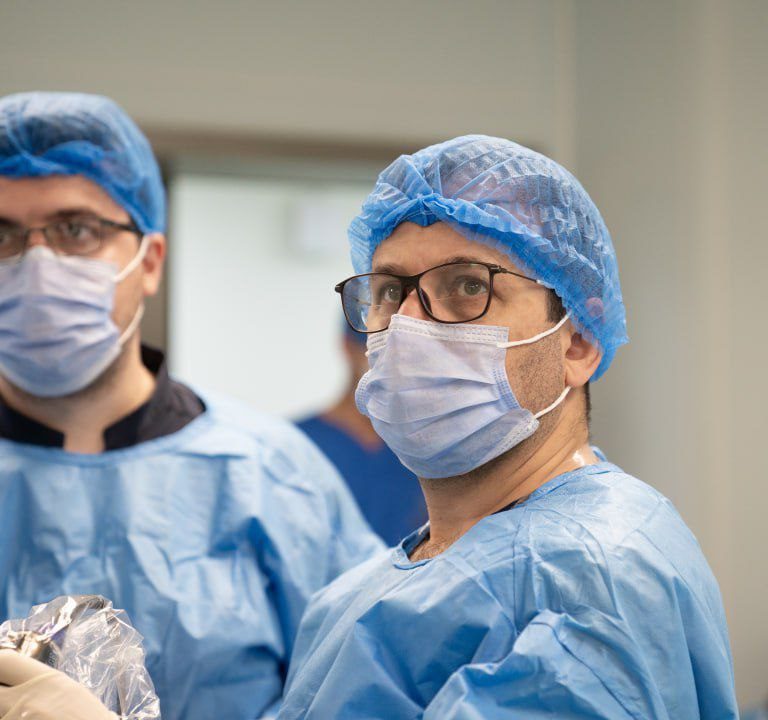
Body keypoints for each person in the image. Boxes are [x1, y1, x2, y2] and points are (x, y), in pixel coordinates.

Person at [277, 135, 739, 718]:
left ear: (578, 342)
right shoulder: (356, 597)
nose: (409, 327)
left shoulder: (592, 579)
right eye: (391, 292)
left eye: (468, 285)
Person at [0, 92, 383, 720]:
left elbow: (364, 697)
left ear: (149, 262)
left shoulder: (273, 476)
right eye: (3, 234)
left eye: (75, 230)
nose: (36, 264)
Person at [296, 323, 426, 545]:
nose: (392, 366)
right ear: (347, 346)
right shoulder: (298, 446)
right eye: (379, 350)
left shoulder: (429, 448)